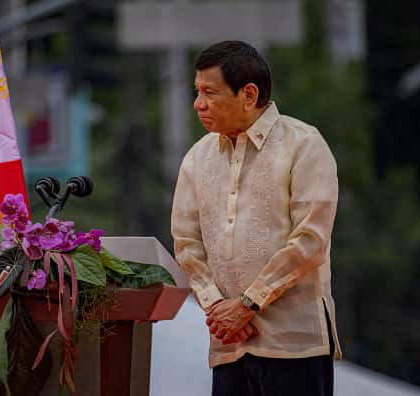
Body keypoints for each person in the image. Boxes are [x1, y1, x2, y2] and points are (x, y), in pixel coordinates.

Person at [171, 40, 341, 396]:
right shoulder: (197, 158)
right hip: (229, 343)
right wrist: (217, 306)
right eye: (197, 91)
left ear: (248, 95)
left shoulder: (304, 144)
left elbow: (311, 240)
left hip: (294, 342)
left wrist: (248, 304)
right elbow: (186, 244)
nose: (197, 104)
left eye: (209, 92)